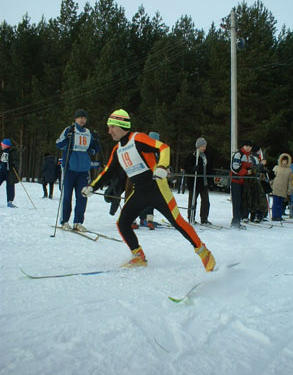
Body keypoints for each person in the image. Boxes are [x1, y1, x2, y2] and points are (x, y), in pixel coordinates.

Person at [81, 109, 215, 271]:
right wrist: (92, 187)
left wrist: (162, 166)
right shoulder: (117, 150)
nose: (109, 131)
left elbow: (163, 147)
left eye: (112, 127)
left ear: (121, 126)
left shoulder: (138, 138)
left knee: (177, 222)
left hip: (158, 188)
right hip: (140, 191)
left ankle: (203, 252)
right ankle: (138, 256)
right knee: (122, 222)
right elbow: (108, 171)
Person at [56, 109, 101, 231]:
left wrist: (97, 141)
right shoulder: (69, 130)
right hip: (69, 168)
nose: (82, 120)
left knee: (82, 196)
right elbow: (59, 144)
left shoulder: (88, 133)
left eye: (84, 118)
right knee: (67, 196)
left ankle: (78, 222)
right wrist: (68, 138)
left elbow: (94, 150)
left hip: (83, 170)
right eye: (80, 118)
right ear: (75, 119)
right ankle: (64, 221)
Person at [184, 137, 212, 225]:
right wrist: (193, 169)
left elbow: (210, 168)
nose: (204, 148)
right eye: (202, 146)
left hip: (204, 182)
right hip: (194, 183)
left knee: (205, 201)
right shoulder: (192, 155)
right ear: (198, 146)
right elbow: (186, 167)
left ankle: (204, 218)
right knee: (192, 201)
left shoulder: (206, 156)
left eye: (205, 146)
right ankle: (191, 217)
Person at [230, 140, 253, 228]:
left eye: (250, 147)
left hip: (244, 182)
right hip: (236, 181)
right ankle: (235, 221)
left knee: (243, 202)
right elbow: (234, 167)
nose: (248, 148)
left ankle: (239, 219)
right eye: (246, 146)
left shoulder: (249, 156)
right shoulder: (238, 154)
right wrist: (246, 172)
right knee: (237, 202)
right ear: (243, 146)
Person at [270, 153, 293, 221]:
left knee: (281, 203)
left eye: (286, 160)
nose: (284, 162)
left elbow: (290, 181)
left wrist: (290, 189)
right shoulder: (276, 168)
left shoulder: (289, 170)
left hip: (283, 189)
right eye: (283, 160)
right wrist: (270, 185)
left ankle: (279, 216)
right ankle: (274, 216)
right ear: (280, 160)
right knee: (275, 203)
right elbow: (272, 177)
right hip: (276, 187)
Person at [0, 138, 20, 207]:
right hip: (2, 172)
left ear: (6, 145)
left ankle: (10, 201)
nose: (1, 146)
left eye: (2, 145)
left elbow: (16, 161)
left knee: (10, 186)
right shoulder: (3, 152)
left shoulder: (12, 152)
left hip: (9, 173)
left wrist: (13, 164)